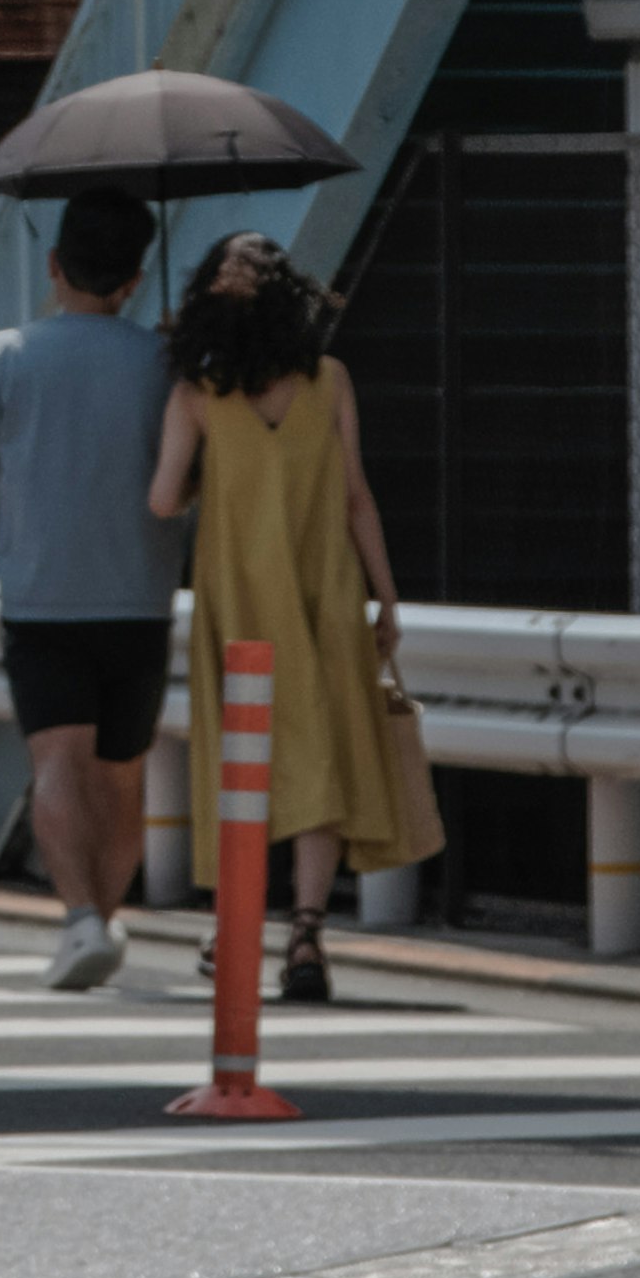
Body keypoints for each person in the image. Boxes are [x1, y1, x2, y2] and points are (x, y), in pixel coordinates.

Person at [0, 185, 178, 994]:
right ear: (135, 278)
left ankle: (83, 920)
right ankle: (102, 916)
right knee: (121, 770)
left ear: (53, 263)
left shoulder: (6, 355)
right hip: (140, 596)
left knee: (57, 763)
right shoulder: (166, 364)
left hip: (41, 599)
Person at [145, 231, 408, 1003]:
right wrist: (386, 597)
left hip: (240, 603)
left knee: (242, 763)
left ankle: (233, 926)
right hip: (323, 591)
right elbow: (357, 494)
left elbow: (162, 499)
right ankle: (306, 932)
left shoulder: (197, 391)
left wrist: (206, 472)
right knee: (318, 756)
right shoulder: (329, 379)